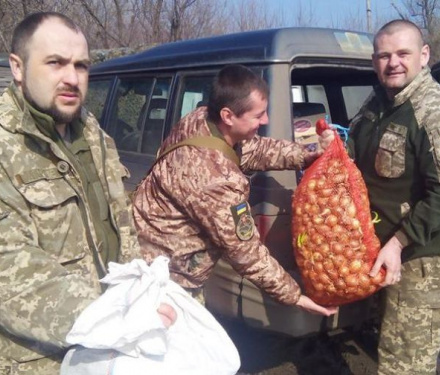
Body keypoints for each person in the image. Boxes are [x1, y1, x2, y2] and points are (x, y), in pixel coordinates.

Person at [0, 12, 176, 375]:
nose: (71, 78)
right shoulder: (5, 147)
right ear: (17, 67)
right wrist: (123, 316)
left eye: (81, 66)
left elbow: (119, 229)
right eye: (55, 63)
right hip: (45, 359)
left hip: (113, 352)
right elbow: (11, 273)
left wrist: (145, 290)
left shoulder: (91, 133)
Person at [133, 64, 338, 317]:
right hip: (167, 283)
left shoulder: (203, 119)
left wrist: (310, 156)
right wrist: (296, 297)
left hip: (156, 261)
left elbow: (254, 149)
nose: (266, 120)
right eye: (258, 115)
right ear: (228, 116)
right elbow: (245, 252)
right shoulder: (215, 180)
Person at [348, 20, 440, 374]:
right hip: (384, 245)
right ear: (374, 61)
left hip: (422, 256)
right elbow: (357, 148)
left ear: (424, 55)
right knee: (388, 338)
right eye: (384, 55)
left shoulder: (436, 112)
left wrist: (400, 242)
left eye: (403, 53)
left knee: (406, 361)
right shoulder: (379, 101)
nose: (393, 63)